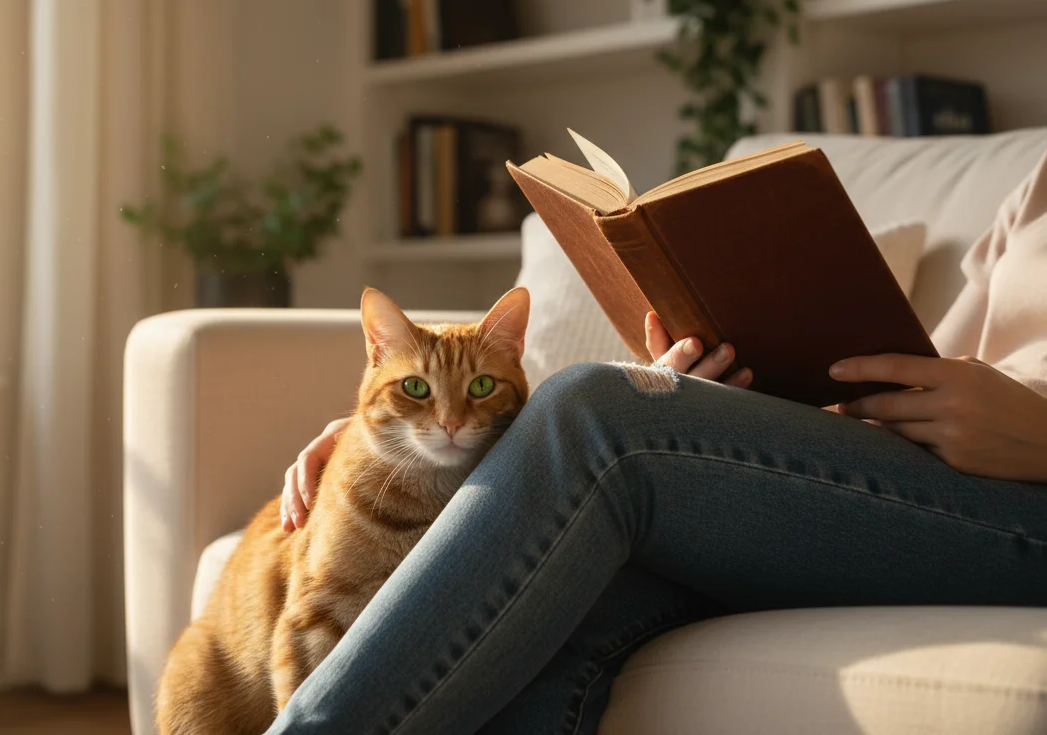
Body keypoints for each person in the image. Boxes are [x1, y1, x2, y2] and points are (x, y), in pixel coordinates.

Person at [265, 154, 1047, 734]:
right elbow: (915, 372)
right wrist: (387, 438)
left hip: (1026, 504)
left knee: (596, 407)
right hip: (918, 477)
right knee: (556, 598)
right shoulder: (1034, 189)